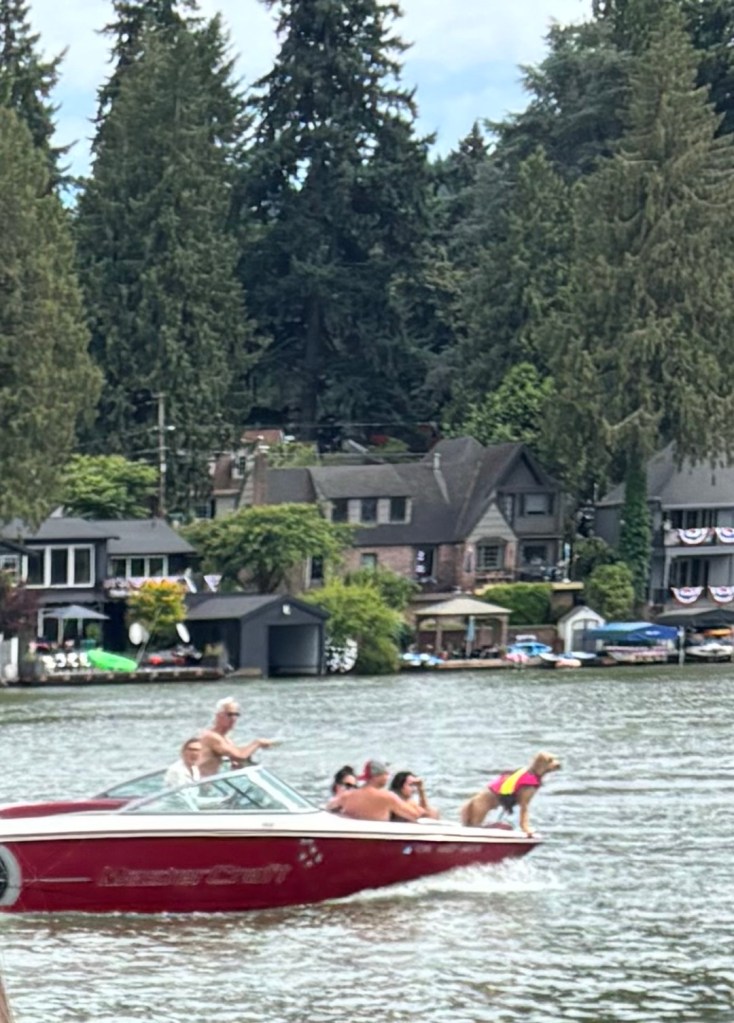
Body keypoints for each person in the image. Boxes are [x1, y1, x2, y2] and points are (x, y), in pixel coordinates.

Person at [198, 696, 276, 778]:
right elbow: (240, 756)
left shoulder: (226, 739)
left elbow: (237, 757)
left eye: (236, 715)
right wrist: (257, 743)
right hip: (204, 785)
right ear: (218, 716)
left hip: (216, 784)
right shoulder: (211, 737)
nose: (233, 718)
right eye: (229, 714)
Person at [328, 759, 426, 822]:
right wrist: (420, 791)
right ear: (377, 776)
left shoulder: (347, 796)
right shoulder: (387, 797)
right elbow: (415, 815)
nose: (388, 777)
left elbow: (329, 807)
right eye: (386, 774)